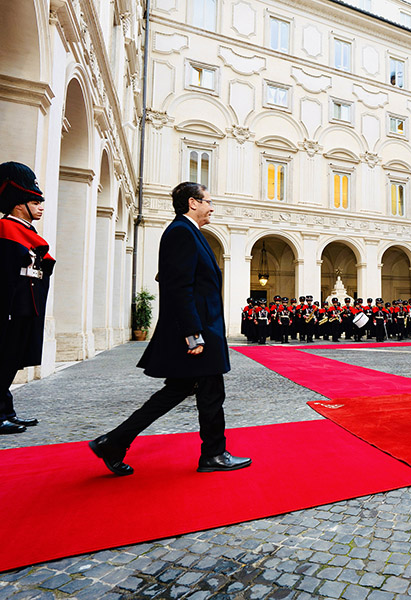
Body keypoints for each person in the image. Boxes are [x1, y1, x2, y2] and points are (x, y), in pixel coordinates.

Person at [90, 182, 251, 475]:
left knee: (178, 390)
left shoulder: (188, 231)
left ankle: (113, 442)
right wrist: (193, 334)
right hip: (199, 331)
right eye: (208, 201)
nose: (212, 207)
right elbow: (178, 286)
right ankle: (213, 454)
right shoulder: (181, 232)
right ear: (193, 202)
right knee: (210, 393)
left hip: (201, 328)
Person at [0, 162, 55, 435]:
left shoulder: (26, 231)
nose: (41, 207)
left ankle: (6, 411)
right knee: (4, 360)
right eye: (35, 202)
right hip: (13, 307)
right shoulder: (6, 228)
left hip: (25, 306)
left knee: (10, 361)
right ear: (19, 205)